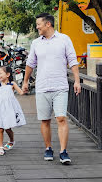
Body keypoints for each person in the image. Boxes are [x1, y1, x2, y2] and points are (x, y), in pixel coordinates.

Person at [22, 13, 81, 165]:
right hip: (42, 86)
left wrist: (77, 81)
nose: (37, 27)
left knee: (61, 118)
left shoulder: (64, 39)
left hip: (60, 86)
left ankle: (63, 151)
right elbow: (30, 64)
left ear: (48, 24)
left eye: (38, 24)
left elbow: (72, 60)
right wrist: (25, 81)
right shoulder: (36, 43)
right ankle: (48, 148)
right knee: (45, 120)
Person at [0, 66, 26, 156]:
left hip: (10, 109)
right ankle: (1, 147)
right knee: (0, 128)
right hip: (0, 109)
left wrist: (24, 89)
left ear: (7, 75)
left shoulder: (12, 84)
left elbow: (21, 92)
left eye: (1, 73)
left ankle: (11, 140)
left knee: (7, 128)